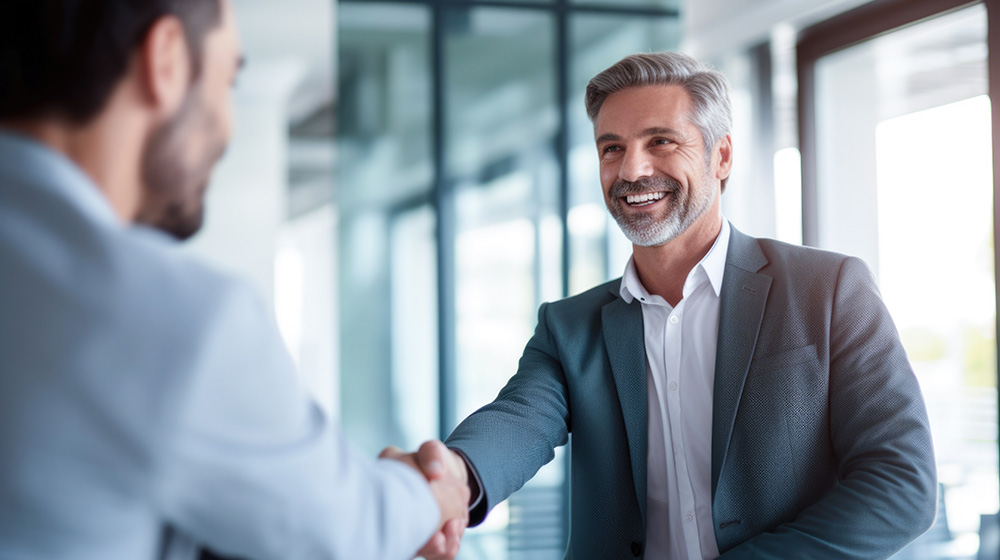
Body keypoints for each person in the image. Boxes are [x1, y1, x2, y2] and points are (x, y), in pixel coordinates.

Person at [404, 52, 937, 559]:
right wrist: (452, 476)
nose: (632, 170)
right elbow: (518, 422)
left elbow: (901, 483)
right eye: (611, 148)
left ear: (721, 155)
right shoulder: (569, 327)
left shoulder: (828, 288)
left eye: (660, 141)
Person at [0, 1, 469, 559]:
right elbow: (349, 531)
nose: (227, 124)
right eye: (229, 80)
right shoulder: (167, 316)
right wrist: (431, 490)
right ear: (167, 60)